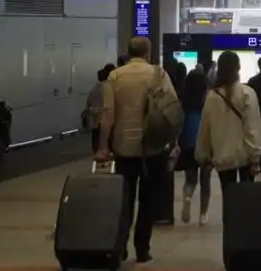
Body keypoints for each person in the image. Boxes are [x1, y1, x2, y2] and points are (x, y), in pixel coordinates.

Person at [96, 37, 178, 263]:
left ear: (128, 51)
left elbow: (107, 115)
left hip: (124, 148)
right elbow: (171, 112)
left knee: (124, 200)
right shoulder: (158, 74)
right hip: (153, 147)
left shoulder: (115, 76)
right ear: (148, 51)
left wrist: (103, 147)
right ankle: (142, 249)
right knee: (148, 200)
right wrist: (174, 142)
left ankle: (119, 248)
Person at [195, 50, 261, 194]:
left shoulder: (212, 96)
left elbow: (205, 127)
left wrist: (203, 153)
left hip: (223, 156)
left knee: (228, 197)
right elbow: (253, 127)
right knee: (246, 198)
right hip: (245, 156)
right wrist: (256, 156)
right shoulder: (247, 93)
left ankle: (229, 217)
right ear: (238, 68)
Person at [177, 69, 212, 225]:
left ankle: (187, 196)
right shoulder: (209, 101)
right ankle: (203, 215)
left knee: (190, 179)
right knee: (206, 181)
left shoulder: (183, 102)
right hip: (205, 144)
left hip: (188, 143)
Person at [85, 64, 115, 153]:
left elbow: (88, 104)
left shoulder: (96, 88)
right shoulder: (112, 87)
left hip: (96, 123)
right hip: (109, 124)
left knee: (98, 150)